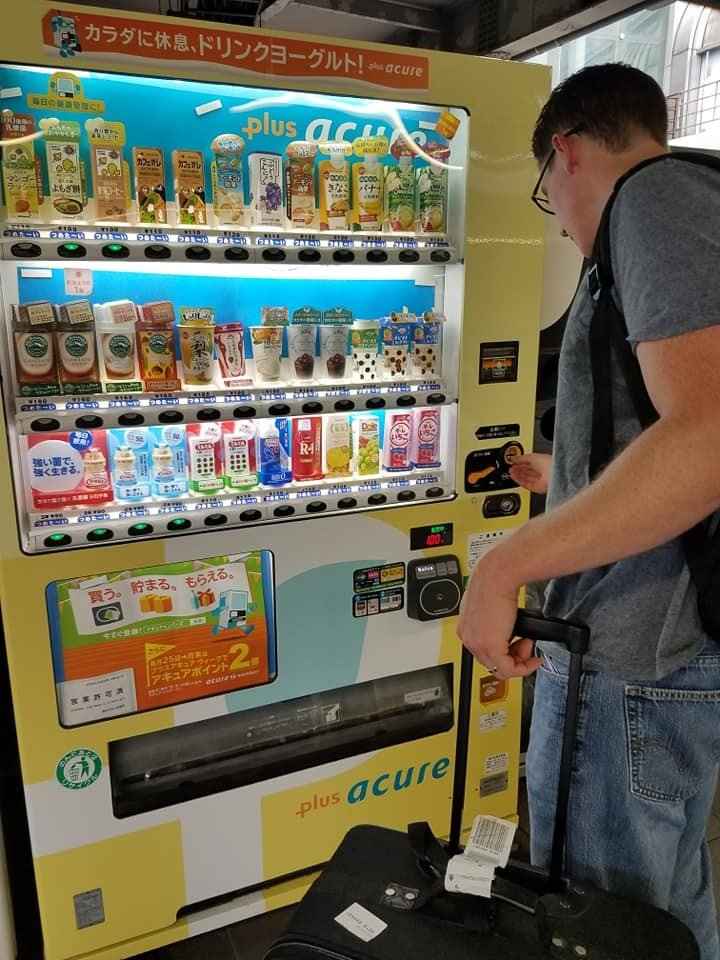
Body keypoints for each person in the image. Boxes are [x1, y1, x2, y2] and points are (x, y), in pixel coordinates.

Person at [456, 62, 720, 959]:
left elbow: (708, 438)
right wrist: (562, 476)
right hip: (664, 655)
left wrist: (505, 564)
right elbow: (654, 423)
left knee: (603, 921)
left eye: (545, 196)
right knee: (665, 904)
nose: (560, 225)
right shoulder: (694, 196)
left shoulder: (653, 202)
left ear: (563, 151)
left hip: (631, 655)